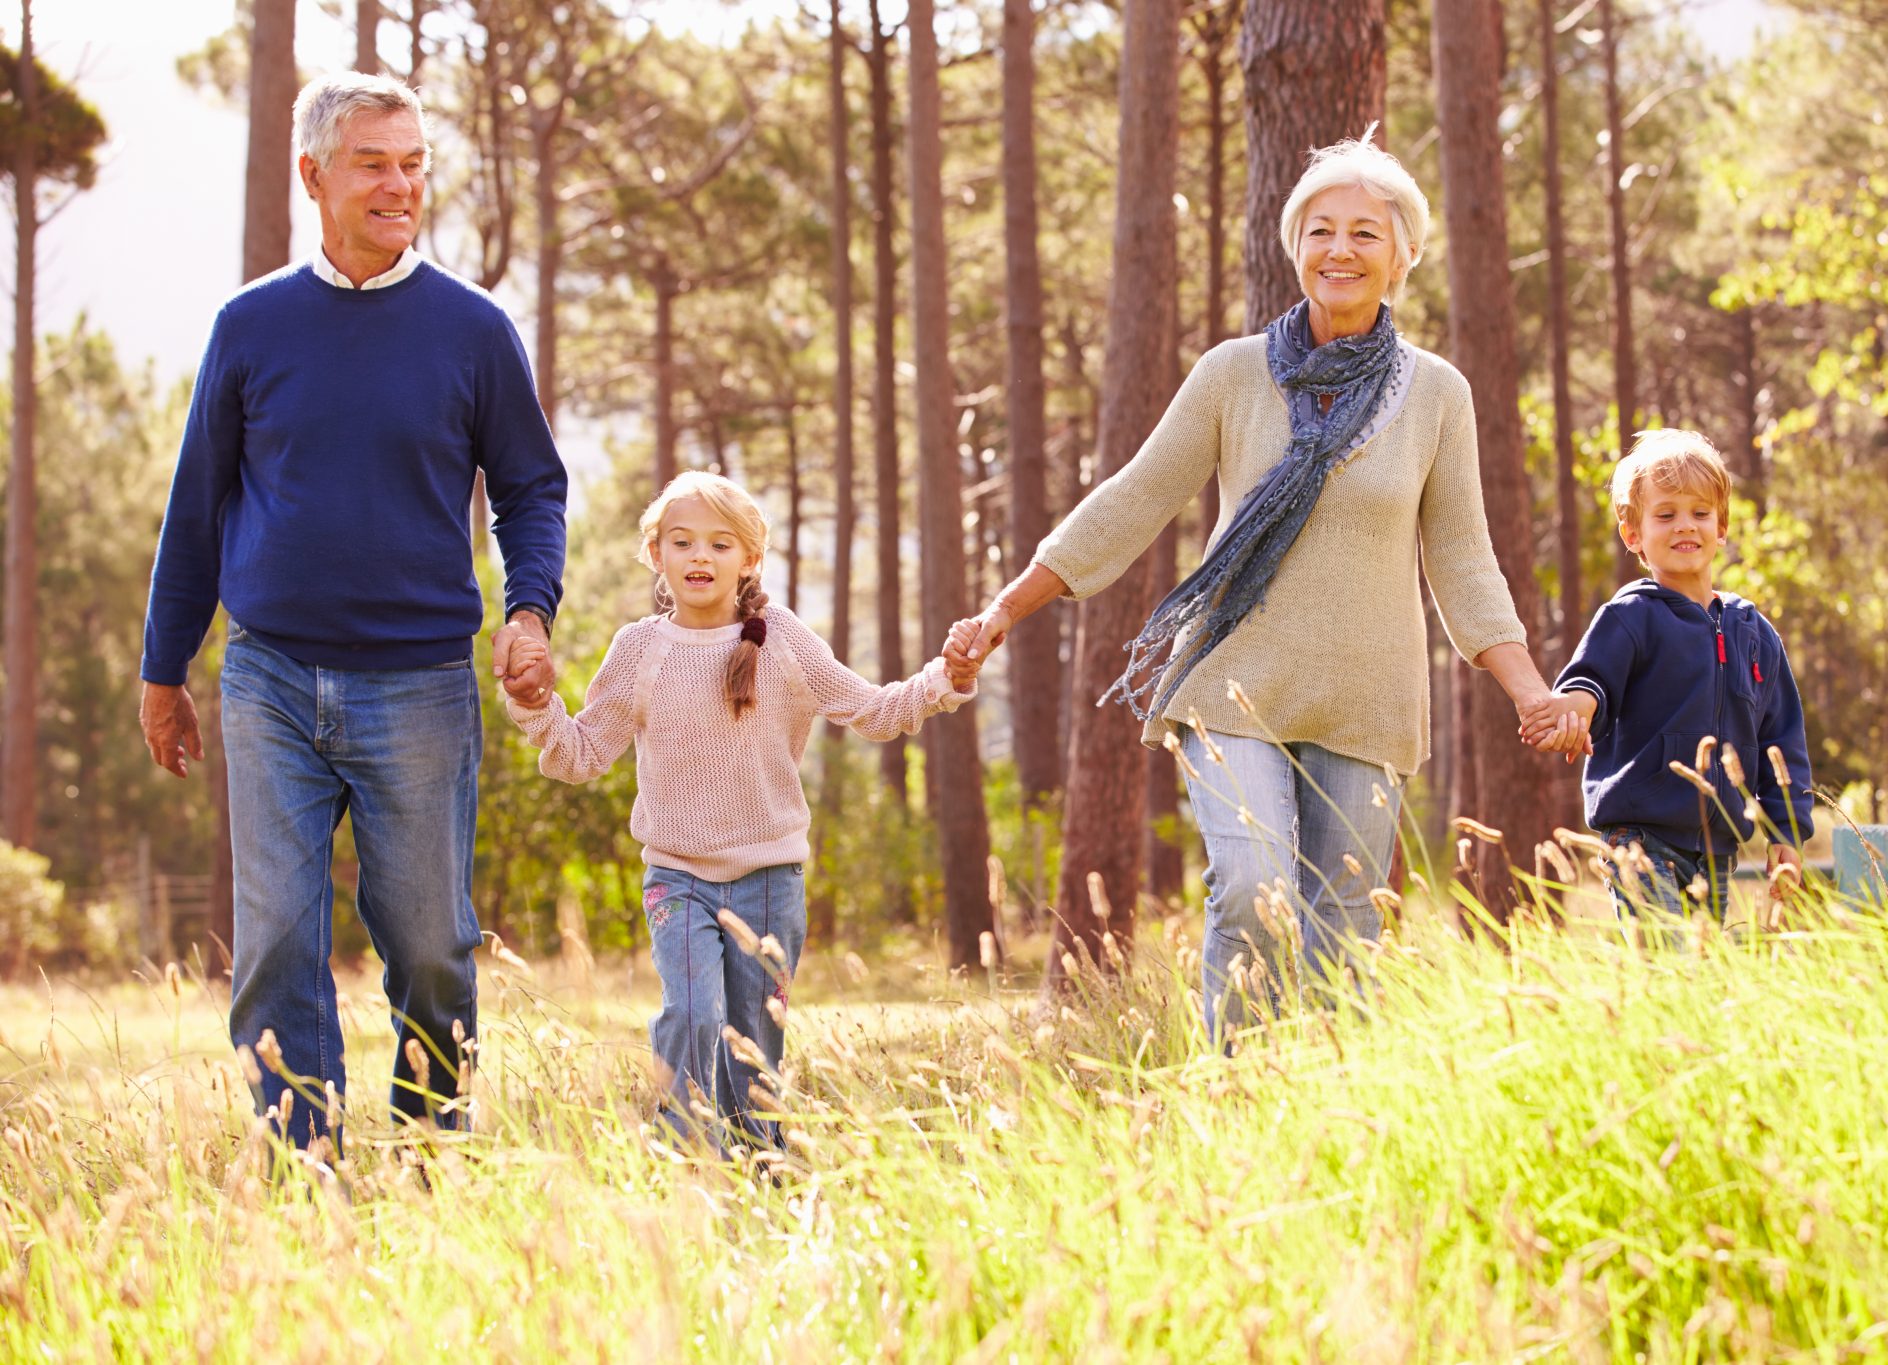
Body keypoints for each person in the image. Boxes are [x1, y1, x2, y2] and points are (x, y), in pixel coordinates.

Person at [953, 134, 1550, 1035]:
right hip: (1236, 684)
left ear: (1403, 256)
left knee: (1345, 932)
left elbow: (1463, 556)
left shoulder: (1437, 394)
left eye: (1364, 233)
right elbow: (1134, 497)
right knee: (1254, 885)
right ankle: (1234, 1096)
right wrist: (1007, 606)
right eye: (1320, 230)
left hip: (1367, 696)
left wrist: (1530, 689)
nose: (1340, 250)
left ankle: (1316, 1122)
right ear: (1294, 245)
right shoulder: (1235, 374)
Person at [138, 73, 567, 1152]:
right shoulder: (251, 326)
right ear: (313, 175)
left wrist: (530, 610)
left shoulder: (471, 332)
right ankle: (305, 1167)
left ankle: (429, 1152)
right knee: (279, 938)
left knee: (428, 945)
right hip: (270, 675)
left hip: (419, 682)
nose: (400, 183)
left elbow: (530, 486)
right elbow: (198, 507)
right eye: (373, 162)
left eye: (414, 161)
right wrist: (163, 669)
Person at [500, 471, 979, 1148]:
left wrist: (943, 680)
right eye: (683, 541)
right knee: (694, 1014)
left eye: (720, 544)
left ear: (749, 558)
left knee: (754, 1048)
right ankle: (689, 1156)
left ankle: (760, 1179)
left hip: (769, 880)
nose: (700, 557)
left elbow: (872, 710)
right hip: (678, 877)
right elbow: (581, 755)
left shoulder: (780, 639)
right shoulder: (639, 650)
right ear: (655, 553)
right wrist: (534, 704)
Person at [1520, 430, 1814, 922]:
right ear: (1633, 534)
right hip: (1640, 839)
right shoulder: (1631, 616)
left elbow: (1782, 742)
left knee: (1693, 982)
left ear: (1721, 527)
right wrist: (1572, 710)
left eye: (1700, 513)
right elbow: (1591, 681)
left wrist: (1787, 835)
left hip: (1717, 851)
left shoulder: (1754, 633)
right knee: (1662, 963)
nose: (1686, 526)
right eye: (1666, 514)